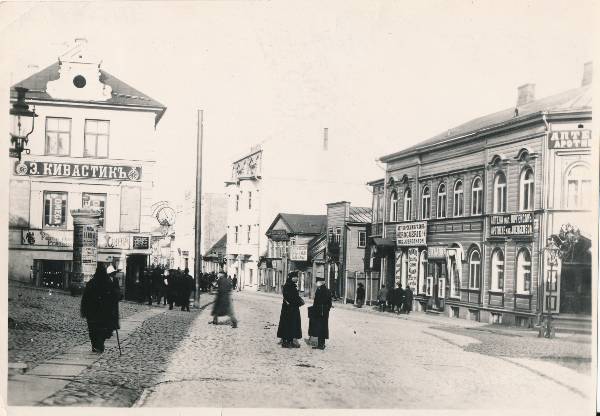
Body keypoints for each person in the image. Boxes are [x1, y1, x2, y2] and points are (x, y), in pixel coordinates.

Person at [80, 264, 120, 353]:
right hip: (105, 312)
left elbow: (85, 299)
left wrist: (85, 311)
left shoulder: (91, 283)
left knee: (93, 330)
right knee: (103, 329)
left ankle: (95, 345)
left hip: (92, 313)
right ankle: (99, 344)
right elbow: (116, 296)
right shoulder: (108, 283)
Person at [277, 271, 304, 348]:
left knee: (291, 324)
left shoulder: (291, 285)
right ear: (292, 278)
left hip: (292, 308)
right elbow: (289, 298)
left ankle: (289, 340)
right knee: (289, 324)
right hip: (289, 309)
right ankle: (287, 342)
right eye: (296, 277)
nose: (297, 279)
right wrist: (298, 302)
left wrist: (298, 301)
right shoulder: (288, 286)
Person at [308, 281, 332, 350]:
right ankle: (322, 344)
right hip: (325, 312)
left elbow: (316, 302)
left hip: (319, 311)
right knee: (323, 327)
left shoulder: (319, 291)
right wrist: (326, 310)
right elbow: (330, 303)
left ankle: (320, 345)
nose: (316, 284)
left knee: (319, 327)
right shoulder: (327, 290)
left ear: (322, 283)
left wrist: (315, 309)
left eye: (317, 282)